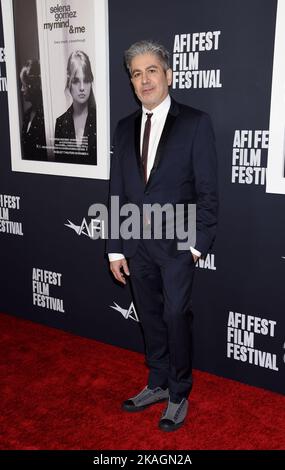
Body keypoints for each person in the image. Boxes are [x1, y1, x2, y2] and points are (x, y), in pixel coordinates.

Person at [106, 40, 218, 432]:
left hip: (177, 244)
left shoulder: (195, 122)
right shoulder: (123, 128)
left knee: (174, 315)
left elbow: (207, 192)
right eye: (136, 73)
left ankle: (178, 391)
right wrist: (115, 248)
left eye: (151, 70)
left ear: (168, 75)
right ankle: (156, 382)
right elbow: (117, 190)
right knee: (151, 318)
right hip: (136, 243)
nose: (144, 79)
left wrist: (197, 246)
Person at [54, 50, 97, 165]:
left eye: (86, 80)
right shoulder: (60, 123)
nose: (82, 87)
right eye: (76, 81)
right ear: (69, 83)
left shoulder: (101, 119)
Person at [20, 59, 47, 161]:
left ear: (33, 85)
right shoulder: (27, 114)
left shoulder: (45, 114)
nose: (22, 89)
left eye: (24, 85)